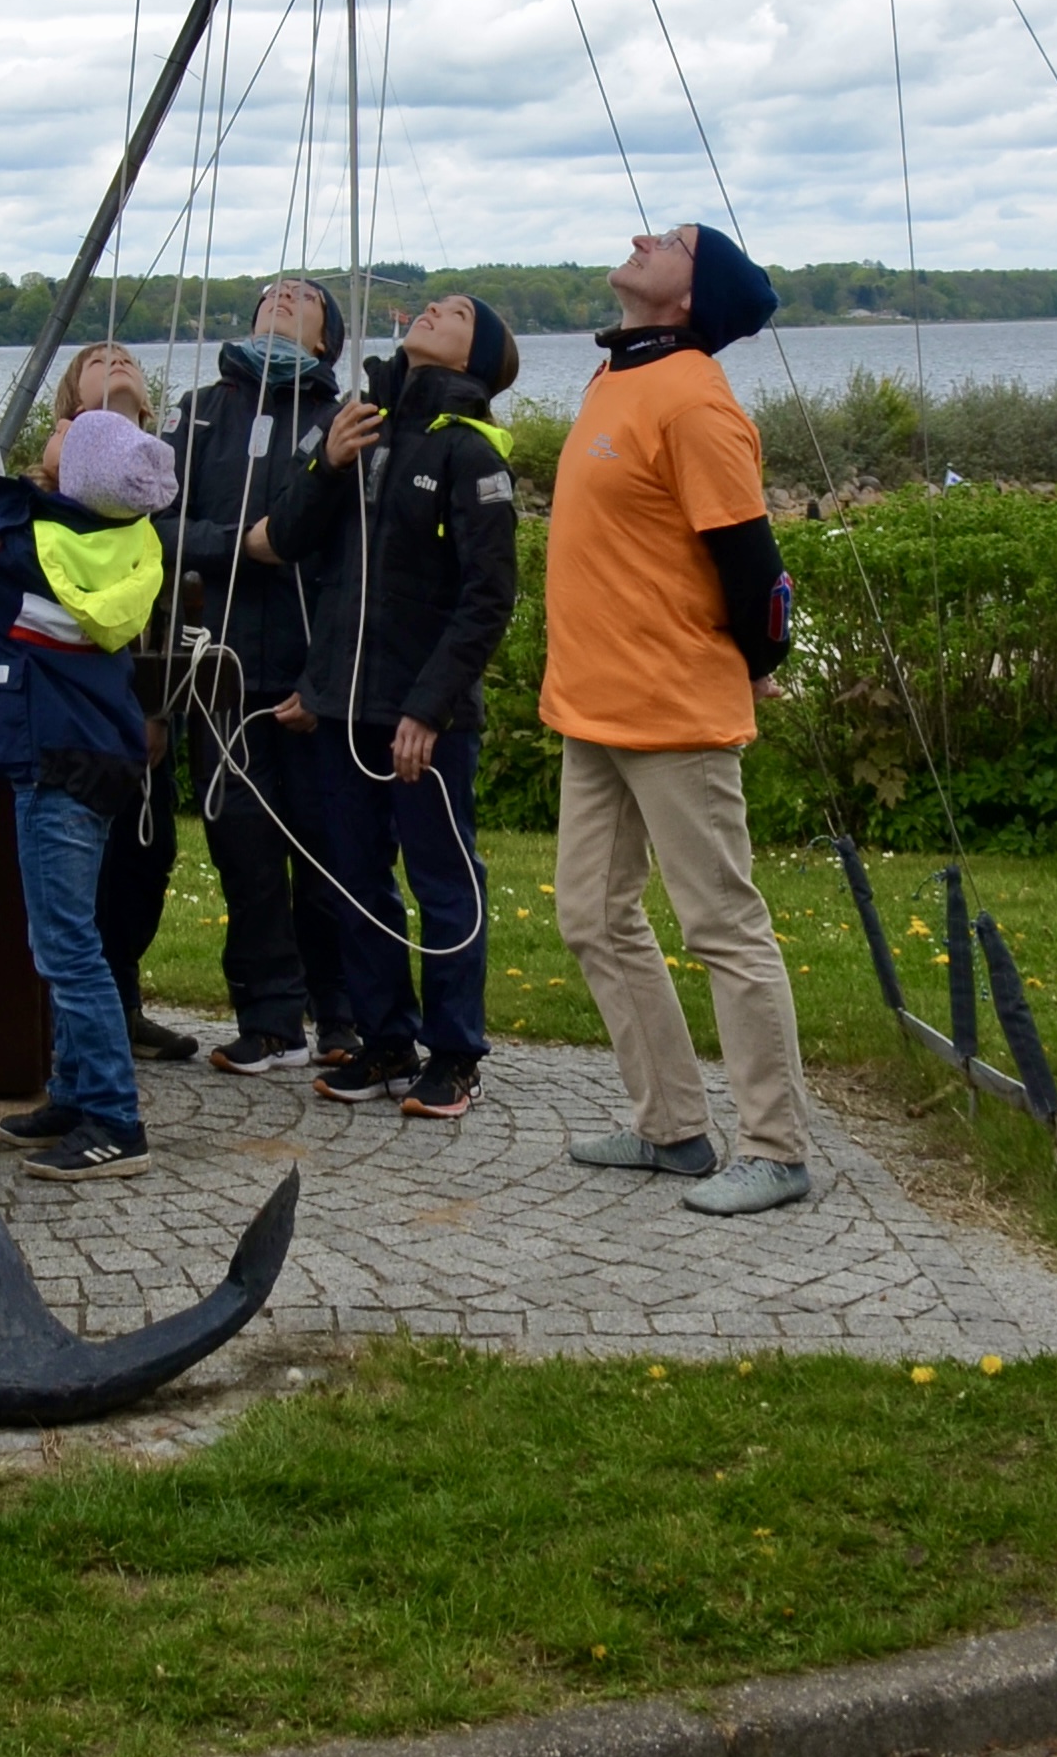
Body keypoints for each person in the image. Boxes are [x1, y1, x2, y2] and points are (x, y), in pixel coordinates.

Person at [543, 217, 811, 1215]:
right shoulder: (615, 377)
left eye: (669, 240)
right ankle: (672, 1127)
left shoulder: (696, 398)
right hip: (593, 706)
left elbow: (755, 571)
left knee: (723, 928)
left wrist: (757, 662)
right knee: (591, 916)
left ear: (692, 297)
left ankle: (777, 1148)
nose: (640, 237)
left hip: (673, 709)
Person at [0, 378, 172, 1177]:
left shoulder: (30, 557)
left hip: (54, 763)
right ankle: (71, 1090)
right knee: (63, 935)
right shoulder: (115, 541)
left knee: (66, 947)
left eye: (68, 432)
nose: (56, 427)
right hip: (97, 755)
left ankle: (113, 1118)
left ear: (78, 474)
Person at [285, 291, 523, 1116]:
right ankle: (385, 1039)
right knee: (355, 879)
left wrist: (428, 708)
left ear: (476, 357)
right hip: (345, 706)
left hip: (428, 715)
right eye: (434, 303)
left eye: (456, 313)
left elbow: (488, 598)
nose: (433, 310)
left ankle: (455, 1054)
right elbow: (299, 543)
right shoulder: (359, 423)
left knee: (443, 881)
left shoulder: (471, 451)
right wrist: (326, 464)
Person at [172, 278, 361, 1077]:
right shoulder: (200, 413)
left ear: (325, 338)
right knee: (244, 855)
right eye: (272, 292)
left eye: (304, 296)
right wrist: (237, 546)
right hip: (220, 673)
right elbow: (158, 525)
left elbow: (354, 561)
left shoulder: (342, 421)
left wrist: (326, 681)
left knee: (326, 857)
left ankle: (344, 1015)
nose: (283, 296)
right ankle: (269, 1018)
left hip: (310, 676)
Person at [32, 344, 198, 1067]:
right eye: (99, 358)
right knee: (78, 873)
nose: (117, 361)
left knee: (145, 857)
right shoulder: (54, 491)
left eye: (126, 356)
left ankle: (121, 1003)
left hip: (145, 701)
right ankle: (74, 1028)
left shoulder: (169, 478)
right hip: (79, 711)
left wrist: (159, 709)